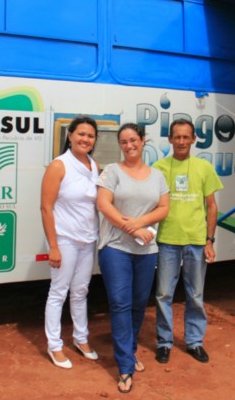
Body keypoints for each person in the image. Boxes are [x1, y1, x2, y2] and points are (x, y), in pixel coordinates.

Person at [96, 123, 170, 394]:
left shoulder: (157, 175)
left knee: (139, 304)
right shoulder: (112, 172)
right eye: (124, 142)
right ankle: (125, 366)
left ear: (143, 141)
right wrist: (133, 227)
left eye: (133, 140)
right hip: (115, 248)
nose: (129, 146)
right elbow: (103, 204)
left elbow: (164, 208)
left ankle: (130, 349)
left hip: (145, 250)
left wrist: (141, 223)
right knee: (119, 304)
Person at [153, 118, 224, 364]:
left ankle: (194, 342)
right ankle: (164, 342)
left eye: (186, 137)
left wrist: (209, 240)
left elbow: (212, 207)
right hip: (167, 241)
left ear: (194, 139)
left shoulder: (204, 168)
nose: (181, 141)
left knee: (195, 295)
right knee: (163, 294)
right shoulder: (159, 167)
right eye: (177, 137)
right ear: (170, 139)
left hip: (195, 241)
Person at [41, 116, 100, 369]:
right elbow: (46, 207)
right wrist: (53, 246)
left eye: (90, 136)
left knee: (81, 291)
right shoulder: (59, 166)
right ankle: (54, 345)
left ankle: (81, 338)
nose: (85, 139)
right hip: (64, 240)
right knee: (58, 292)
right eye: (81, 134)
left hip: (87, 240)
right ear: (70, 135)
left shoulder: (92, 164)